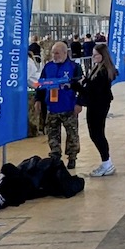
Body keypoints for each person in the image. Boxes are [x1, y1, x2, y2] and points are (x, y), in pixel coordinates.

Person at [40, 41, 81, 169]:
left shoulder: (74, 67)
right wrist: (38, 100)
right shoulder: (48, 67)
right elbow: (41, 84)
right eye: (53, 53)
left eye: (57, 53)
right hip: (52, 107)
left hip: (69, 107)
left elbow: (81, 87)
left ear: (65, 53)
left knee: (72, 134)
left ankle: (72, 157)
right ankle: (55, 155)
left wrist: (79, 103)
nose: (54, 55)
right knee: (52, 133)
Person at [82, 44, 117, 177]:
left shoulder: (103, 71)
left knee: (97, 134)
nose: (93, 57)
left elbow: (92, 90)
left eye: (96, 54)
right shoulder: (98, 68)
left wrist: (76, 87)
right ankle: (106, 162)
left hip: (98, 105)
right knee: (96, 133)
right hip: (95, 104)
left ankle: (107, 163)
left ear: (102, 55)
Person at [26, 41, 45, 138]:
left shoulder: (28, 63)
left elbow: (25, 78)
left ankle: (35, 130)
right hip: (37, 85)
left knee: (36, 111)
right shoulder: (30, 61)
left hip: (37, 86)